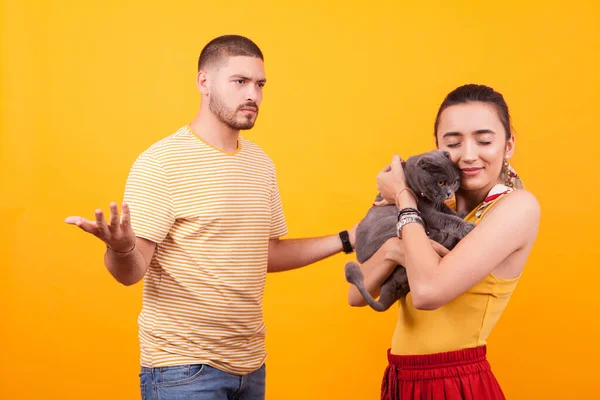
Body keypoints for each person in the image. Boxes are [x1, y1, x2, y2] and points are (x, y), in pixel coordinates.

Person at [65, 34, 357, 400]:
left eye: (260, 84)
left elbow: (263, 253)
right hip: (182, 371)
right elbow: (132, 273)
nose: (253, 95)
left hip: (251, 366)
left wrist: (349, 238)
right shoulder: (161, 163)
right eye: (240, 81)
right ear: (204, 82)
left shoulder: (260, 164)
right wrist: (122, 249)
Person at [348, 84, 540, 399]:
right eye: (453, 142)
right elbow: (357, 294)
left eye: (484, 140)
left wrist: (403, 197)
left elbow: (427, 292)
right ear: (437, 147)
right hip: (403, 378)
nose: (468, 155)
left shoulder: (516, 207)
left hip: (454, 383)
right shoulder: (439, 205)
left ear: (508, 145)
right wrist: (394, 248)